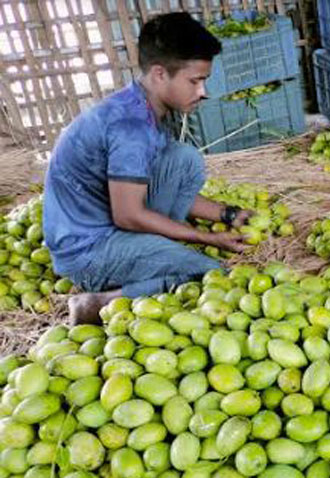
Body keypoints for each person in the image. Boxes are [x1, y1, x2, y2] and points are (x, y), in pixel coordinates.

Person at [43, 12, 250, 325]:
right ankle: (98, 302)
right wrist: (206, 239)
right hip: (88, 250)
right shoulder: (130, 129)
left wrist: (228, 214)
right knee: (208, 273)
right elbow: (128, 214)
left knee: (184, 159)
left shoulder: (143, 106)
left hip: (108, 225)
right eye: (195, 81)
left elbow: (143, 188)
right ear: (159, 74)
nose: (202, 92)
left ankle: (154, 252)